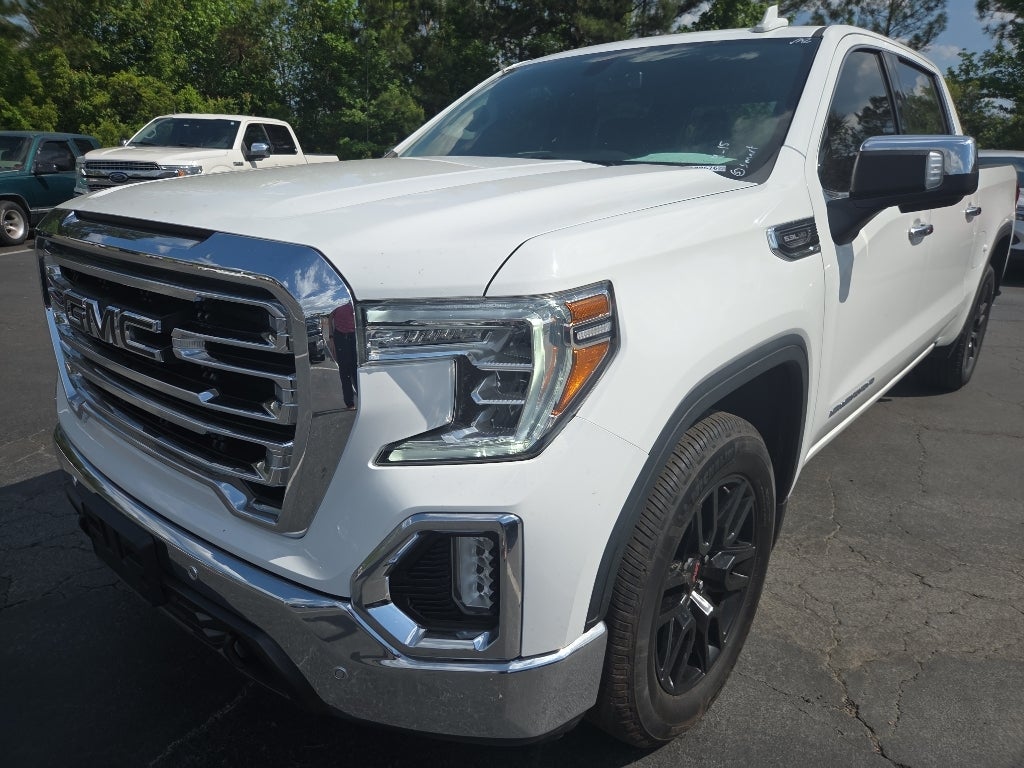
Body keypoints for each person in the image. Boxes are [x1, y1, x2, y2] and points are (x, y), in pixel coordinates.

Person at [330, 302, 357, 410]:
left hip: (353, 336)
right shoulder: (337, 301)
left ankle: (363, 398)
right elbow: (330, 317)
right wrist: (331, 337)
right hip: (340, 336)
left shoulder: (354, 300)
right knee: (344, 370)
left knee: (356, 369)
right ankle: (349, 403)